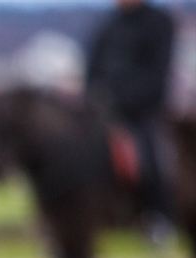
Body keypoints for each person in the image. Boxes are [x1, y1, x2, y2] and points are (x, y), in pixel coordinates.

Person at [85, 0, 176, 240]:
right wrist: (95, 98)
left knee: (148, 153)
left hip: (143, 111)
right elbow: (92, 69)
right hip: (105, 112)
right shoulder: (109, 25)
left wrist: (123, 99)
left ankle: (158, 215)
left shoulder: (158, 23)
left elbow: (158, 75)